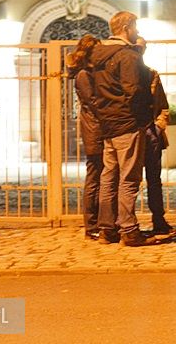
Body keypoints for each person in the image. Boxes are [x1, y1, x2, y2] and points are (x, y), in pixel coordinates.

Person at [89, 11, 156, 247]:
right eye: (135, 26)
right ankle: (129, 230)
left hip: (108, 124)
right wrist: (142, 117)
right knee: (128, 178)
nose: (137, 31)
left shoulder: (98, 56)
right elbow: (133, 91)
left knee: (109, 178)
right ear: (127, 27)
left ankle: (107, 229)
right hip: (127, 123)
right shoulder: (127, 56)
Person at [134, 36, 174, 234]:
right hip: (130, 132)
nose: (140, 51)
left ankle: (159, 219)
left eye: (142, 48)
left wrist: (158, 127)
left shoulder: (151, 74)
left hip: (150, 133)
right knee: (128, 181)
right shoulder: (122, 74)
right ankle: (126, 222)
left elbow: (163, 106)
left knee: (154, 179)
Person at [66, 34, 104, 240]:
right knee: (94, 177)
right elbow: (93, 102)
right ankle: (91, 225)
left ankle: (99, 221)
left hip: (96, 127)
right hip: (94, 129)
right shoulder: (84, 75)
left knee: (100, 176)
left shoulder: (91, 72)